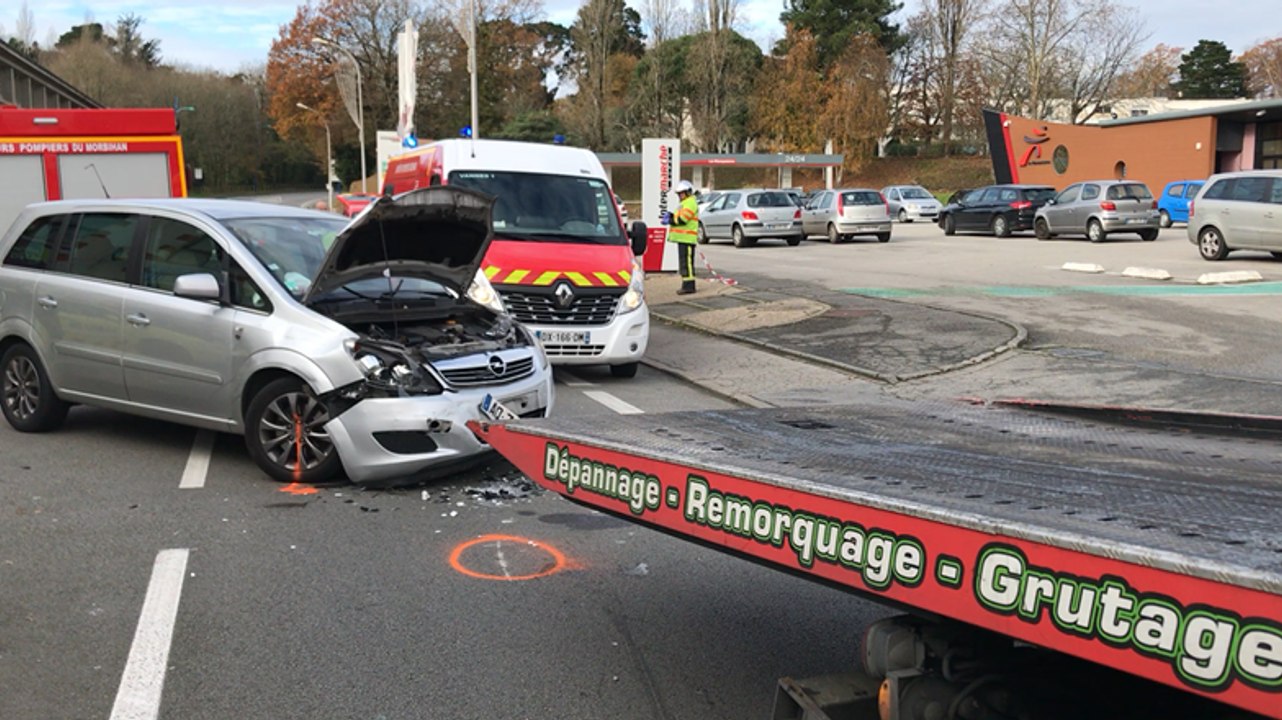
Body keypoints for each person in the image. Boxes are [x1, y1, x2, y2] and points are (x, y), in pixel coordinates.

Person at [664, 179, 700, 294]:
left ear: (688, 192)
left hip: (687, 239)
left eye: (682, 193)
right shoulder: (684, 203)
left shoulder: (690, 203)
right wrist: (671, 215)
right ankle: (686, 285)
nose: (680, 195)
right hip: (683, 238)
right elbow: (678, 216)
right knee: (684, 263)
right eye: (679, 194)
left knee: (687, 263)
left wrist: (670, 219)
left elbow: (683, 219)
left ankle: (689, 286)